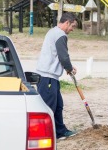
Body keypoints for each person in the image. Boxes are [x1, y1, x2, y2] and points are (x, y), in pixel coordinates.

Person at [36, 12, 78, 140]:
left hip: (51, 77)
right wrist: (69, 68)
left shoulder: (52, 32)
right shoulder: (60, 35)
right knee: (48, 107)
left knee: (58, 105)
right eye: (73, 26)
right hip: (47, 77)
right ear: (67, 23)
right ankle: (43, 134)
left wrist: (66, 67)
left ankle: (60, 131)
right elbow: (63, 56)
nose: (72, 29)